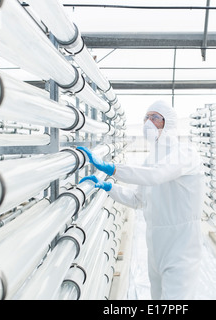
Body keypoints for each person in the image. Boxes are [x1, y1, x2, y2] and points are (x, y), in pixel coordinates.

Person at [78, 100, 204, 300]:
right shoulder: (151, 159)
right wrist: (110, 188)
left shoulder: (185, 152)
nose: (148, 123)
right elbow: (138, 199)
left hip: (181, 248)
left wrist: (112, 168)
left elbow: (156, 175)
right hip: (155, 247)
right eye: (146, 117)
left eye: (155, 118)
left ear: (168, 123)